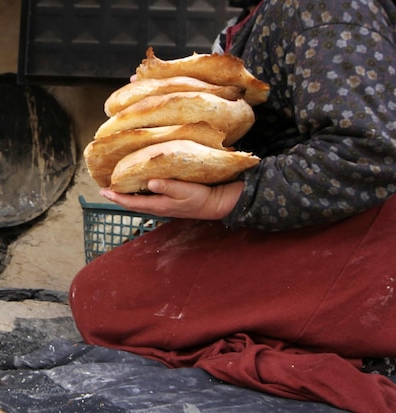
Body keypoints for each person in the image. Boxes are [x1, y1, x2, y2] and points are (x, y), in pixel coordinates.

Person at [69, 1, 396, 411]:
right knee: (103, 292)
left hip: (367, 228)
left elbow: (368, 154)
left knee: (107, 302)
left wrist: (225, 199)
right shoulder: (250, 17)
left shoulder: (325, 5)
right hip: (294, 217)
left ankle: (361, 344)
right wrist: (171, 100)